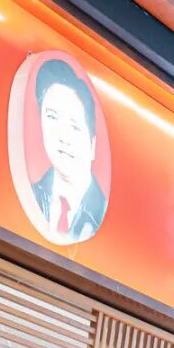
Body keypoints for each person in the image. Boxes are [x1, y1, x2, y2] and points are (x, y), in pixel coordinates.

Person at [31, 58, 108, 242]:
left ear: (92, 145)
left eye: (74, 127)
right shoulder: (33, 196)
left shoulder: (102, 213)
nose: (62, 136)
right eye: (52, 117)